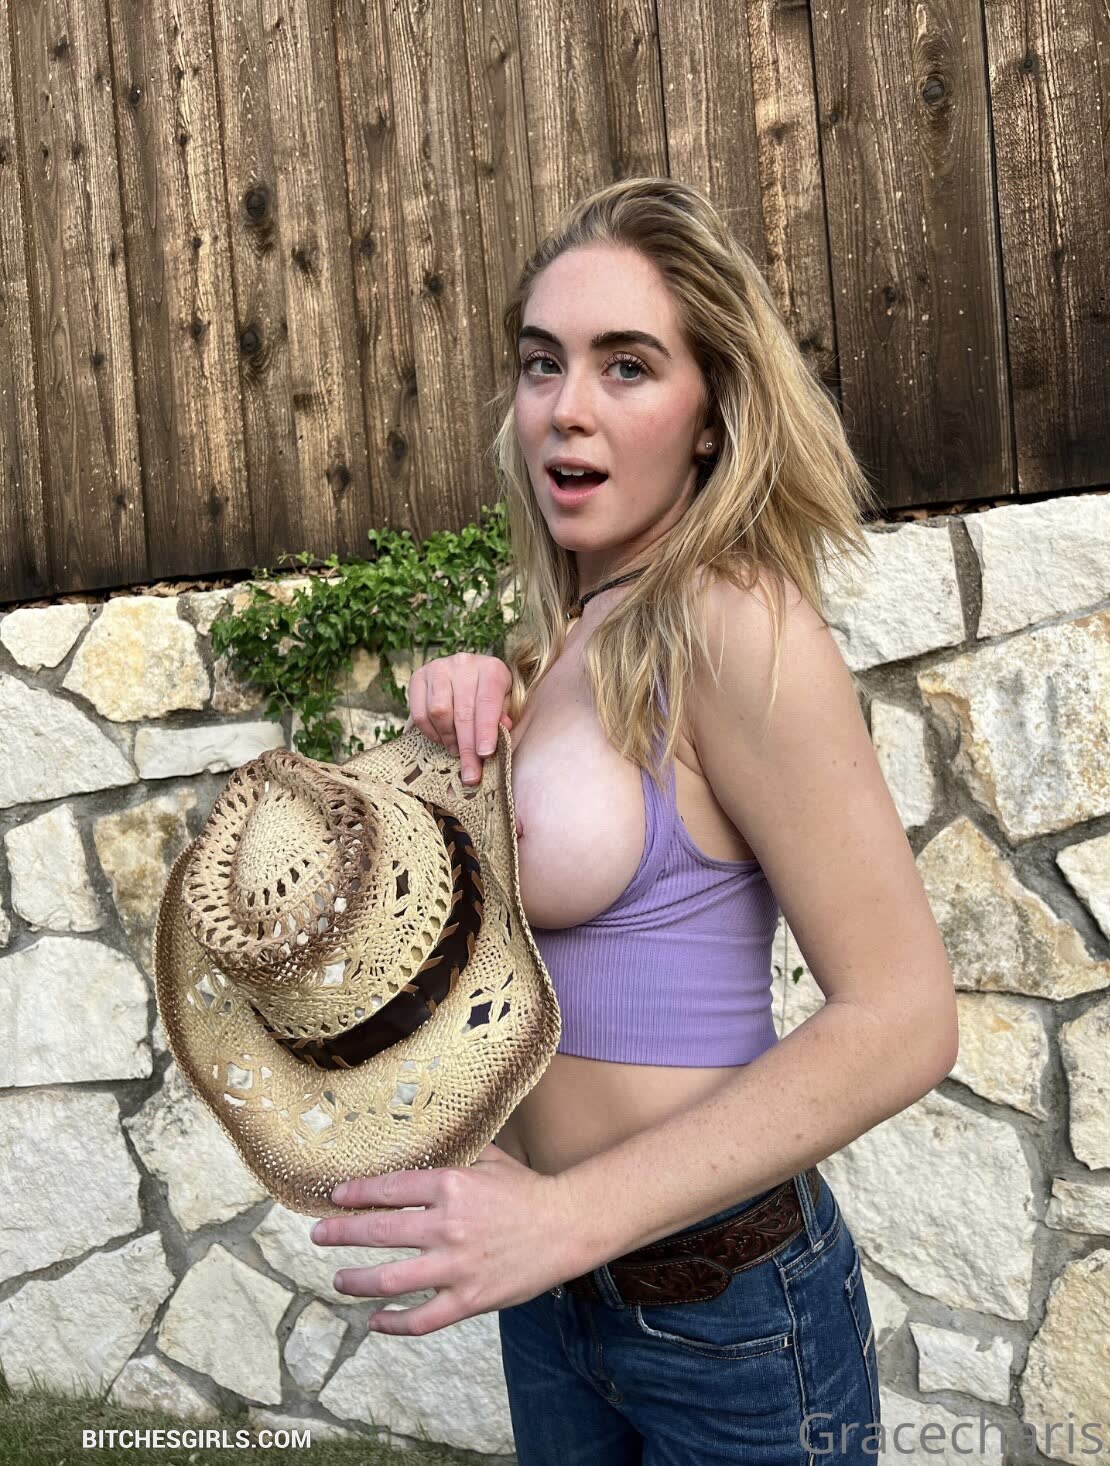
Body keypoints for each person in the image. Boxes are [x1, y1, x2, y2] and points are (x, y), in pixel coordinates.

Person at [336, 176, 959, 1463]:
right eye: (542, 362)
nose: (567, 405)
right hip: (557, 1305)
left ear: (713, 415)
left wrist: (565, 1218)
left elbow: (904, 1019)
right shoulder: (566, 639)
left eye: (627, 365)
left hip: (726, 1319)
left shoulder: (735, 623)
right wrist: (455, 732)